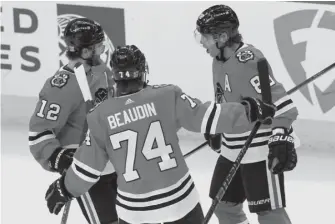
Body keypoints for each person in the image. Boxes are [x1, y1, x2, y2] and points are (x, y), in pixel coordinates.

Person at [43, 44, 276, 224]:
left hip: (134, 211)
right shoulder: (167, 96)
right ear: (143, 72)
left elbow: (87, 170)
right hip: (180, 202)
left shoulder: (99, 116)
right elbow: (210, 116)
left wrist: (65, 187)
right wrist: (249, 110)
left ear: (115, 76)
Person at [194, 4, 300, 224]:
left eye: (204, 37)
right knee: (223, 205)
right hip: (232, 148)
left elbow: (282, 105)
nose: (202, 42)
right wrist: (220, 128)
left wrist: (280, 137)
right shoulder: (218, 60)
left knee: (268, 211)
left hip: (259, 149)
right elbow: (227, 99)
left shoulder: (248, 61)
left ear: (222, 37)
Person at [28, 18, 118, 224]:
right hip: (87, 170)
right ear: (86, 52)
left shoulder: (103, 72)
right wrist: (58, 157)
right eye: (98, 47)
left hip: (116, 162)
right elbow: (38, 131)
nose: (103, 50)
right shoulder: (61, 86)